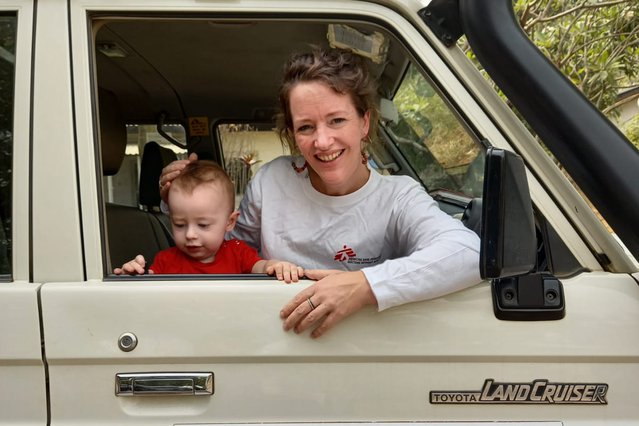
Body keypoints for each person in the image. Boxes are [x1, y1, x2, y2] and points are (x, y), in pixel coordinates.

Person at [158, 48, 482, 338]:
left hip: (366, 349)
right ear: (293, 134)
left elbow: (467, 253)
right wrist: (185, 202)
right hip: (271, 342)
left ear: (364, 122)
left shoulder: (398, 196)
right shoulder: (271, 181)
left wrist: (364, 285)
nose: (322, 141)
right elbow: (227, 252)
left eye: (337, 120)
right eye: (306, 127)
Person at [114, 160, 303, 282]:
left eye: (203, 225)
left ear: (230, 222)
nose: (190, 234)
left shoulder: (238, 252)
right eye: (179, 224)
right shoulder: (165, 261)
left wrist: (275, 266)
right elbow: (148, 289)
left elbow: (261, 267)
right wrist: (132, 276)